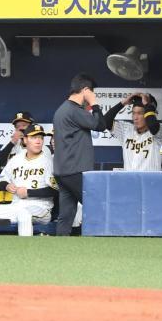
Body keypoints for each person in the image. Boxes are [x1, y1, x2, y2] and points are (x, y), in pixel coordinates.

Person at [52, 73, 107, 237]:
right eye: (91, 92)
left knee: (66, 215)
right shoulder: (73, 110)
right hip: (75, 170)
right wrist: (94, 103)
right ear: (85, 90)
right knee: (97, 207)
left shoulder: (62, 109)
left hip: (63, 171)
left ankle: (58, 251)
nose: (93, 95)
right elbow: (100, 125)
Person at [0, 124, 57, 237]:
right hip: (16, 205)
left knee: (23, 214)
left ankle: (25, 250)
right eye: (34, 137)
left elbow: (55, 191)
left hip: (41, 207)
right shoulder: (16, 159)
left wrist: (29, 192)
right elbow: (0, 182)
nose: (38, 141)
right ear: (25, 139)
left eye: (41, 138)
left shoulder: (49, 160)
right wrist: (7, 186)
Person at [103, 93, 162, 171]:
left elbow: (153, 126)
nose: (135, 117)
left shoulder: (160, 130)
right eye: (133, 113)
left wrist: (148, 106)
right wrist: (123, 103)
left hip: (150, 181)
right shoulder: (126, 129)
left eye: (140, 113)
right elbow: (105, 121)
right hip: (130, 181)